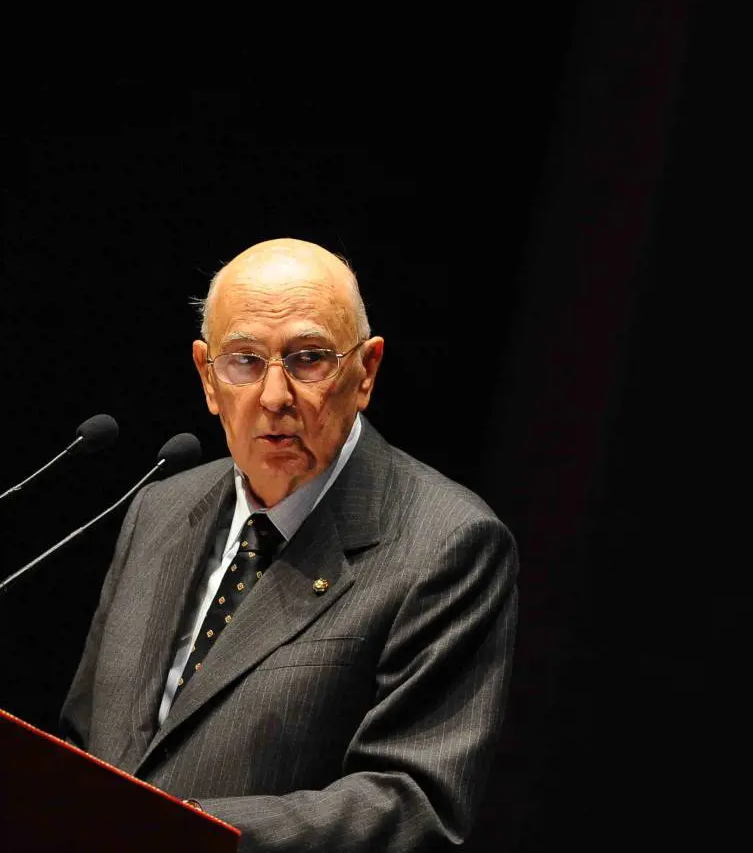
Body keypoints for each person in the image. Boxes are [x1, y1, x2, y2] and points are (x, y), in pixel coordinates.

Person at [61, 238, 518, 852]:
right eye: (244, 361)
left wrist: (179, 831)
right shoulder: (158, 509)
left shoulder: (447, 545)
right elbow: (83, 738)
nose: (274, 396)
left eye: (308, 359)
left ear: (366, 372)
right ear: (207, 377)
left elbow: (411, 802)